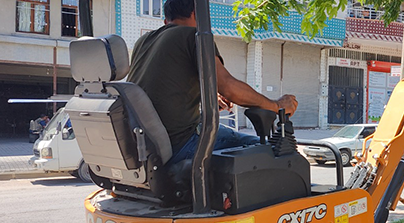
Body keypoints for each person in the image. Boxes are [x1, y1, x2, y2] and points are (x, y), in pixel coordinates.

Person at [127, 0, 298, 165]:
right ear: (196, 13)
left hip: (145, 146)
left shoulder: (144, 41)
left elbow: (163, 86)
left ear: (166, 21)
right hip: (180, 144)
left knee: (226, 134)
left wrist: (209, 97)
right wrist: (275, 105)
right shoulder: (193, 36)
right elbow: (228, 86)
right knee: (270, 151)